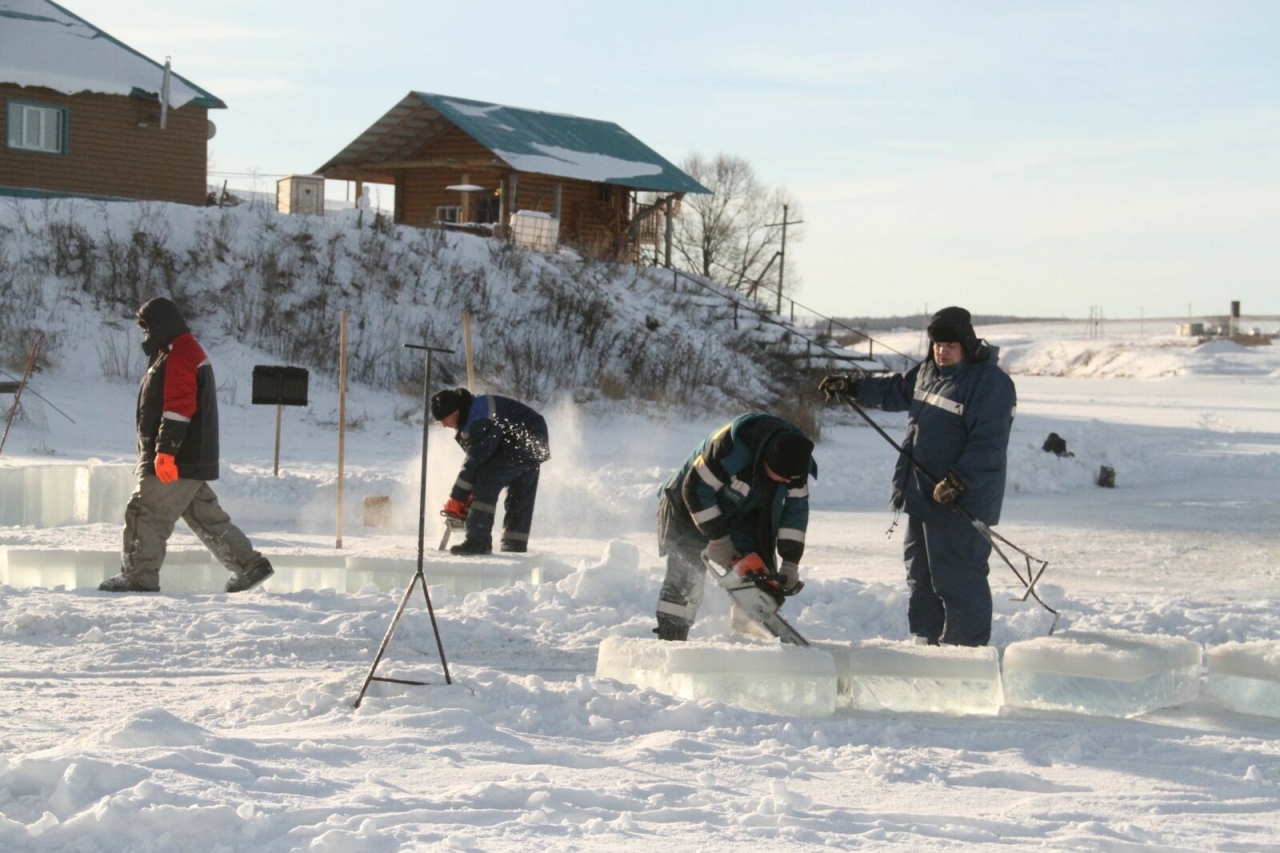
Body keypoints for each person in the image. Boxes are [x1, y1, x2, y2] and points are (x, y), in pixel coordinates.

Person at [820, 306, 1015, 646]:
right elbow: (897, 391)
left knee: (957, 578)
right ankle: (926, 643)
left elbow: (989, 444)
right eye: (937, 343)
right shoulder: (929, 370)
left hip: (959, 501)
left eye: (950, 344)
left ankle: (964, 652)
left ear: (967, 343)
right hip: (923, 494)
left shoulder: (990, 384)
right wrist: (853, 387)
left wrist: (959, 481)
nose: (942, 350)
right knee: (921, 577)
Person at [100, 297, 274, 593]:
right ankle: (249, 565)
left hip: (177, 458)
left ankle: (138, 576)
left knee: (145, 511)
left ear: (162, 324)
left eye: (147, 328)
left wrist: (165, 452)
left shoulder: (179, 353)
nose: (146, 335)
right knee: (205, 517)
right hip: (190, 457)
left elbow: (178, 408)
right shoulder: (175, 350)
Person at [654, 413, 816, 641]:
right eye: (783, 478)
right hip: (687, 507)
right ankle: (670, 640)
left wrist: (790, 562)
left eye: (792, 480)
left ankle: (748, 635)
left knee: (761, 578)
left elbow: (795, 513)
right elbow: (694, 489)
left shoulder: (797, 460)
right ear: (767, 461)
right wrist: (718, 539)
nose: (788, 483)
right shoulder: (733, 448)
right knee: (685, 576)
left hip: (743, 512)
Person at [430, 388, 550, 555]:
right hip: (534, 439)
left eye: (445, 419)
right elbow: (480, 460)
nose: (444, 425)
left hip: (526, 440)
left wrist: (457, 497)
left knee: (487, 481)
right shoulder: (473, 413)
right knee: (520, 494)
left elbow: (475, 463)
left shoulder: (479, 419)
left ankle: (478, 542)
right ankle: (514, 546)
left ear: (455, 412)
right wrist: (467, 493)